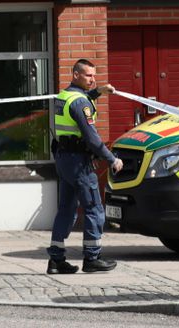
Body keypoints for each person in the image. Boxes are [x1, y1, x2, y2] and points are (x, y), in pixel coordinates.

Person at [46, 59, 124, 275]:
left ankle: (56, 260)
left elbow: (80, 100)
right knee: (94, 209)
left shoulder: (64, 96)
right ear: (76, 75)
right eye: (88, 75)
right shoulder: (81, 103)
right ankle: (92, 258)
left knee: (66, 211)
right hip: (80, 163)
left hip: (64, 160)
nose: (93, 79)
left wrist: (99, 91)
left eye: (94, 75)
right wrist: (112, 159)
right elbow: (92, 138)